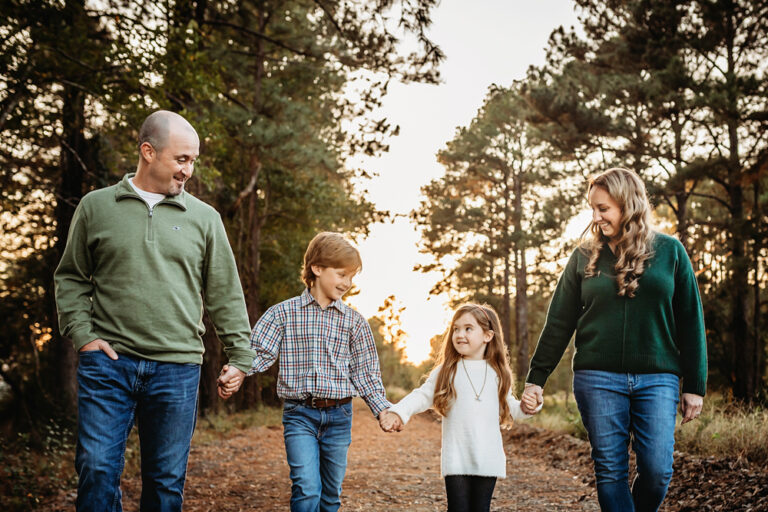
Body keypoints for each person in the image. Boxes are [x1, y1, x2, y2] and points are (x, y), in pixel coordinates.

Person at [54, 110, 255, 511]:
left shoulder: (204, 219)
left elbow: (224, 293)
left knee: (165, 485)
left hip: (177, 368)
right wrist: (84, 335)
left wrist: (241, 356)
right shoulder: (96, 207)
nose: (188, 170)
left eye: (193, 160)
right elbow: (71, 277)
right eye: (181, 159)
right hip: (109, 365)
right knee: (96, 470)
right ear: (148, 151)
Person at [521, 167, 707, 512]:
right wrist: (536, 379)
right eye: (592, 208)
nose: (595, 217)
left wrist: (695, 383)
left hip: (658, 379)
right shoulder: (583, 256)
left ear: (628, 204)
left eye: (603, 208)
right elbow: (559, 321)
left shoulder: (671, 251)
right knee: (610, 472)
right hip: (598, 378)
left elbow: (690, 320)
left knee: (657, 471)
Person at [247, 231, 392, 512]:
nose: (347, 283)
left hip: (339, 417)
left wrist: (382, 410)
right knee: (306, 489)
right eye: (341, 274)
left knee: (330, 495)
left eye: (351, 277)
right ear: (317, 269)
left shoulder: (354, 322)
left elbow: (365, 373)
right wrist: (237, 371)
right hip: (299, 414)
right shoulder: (282, 313)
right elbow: (258, 353)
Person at [380, 303, 541, 512]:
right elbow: (422, 395)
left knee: (480, 508)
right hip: (456, 456)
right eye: (455, 329)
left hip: (488, 456)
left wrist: (529, 407)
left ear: (487, 335)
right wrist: (398, 412)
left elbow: (511, 408)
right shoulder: (447, 370)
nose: (459, 334)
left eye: (468, 328)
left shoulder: (498, 373)